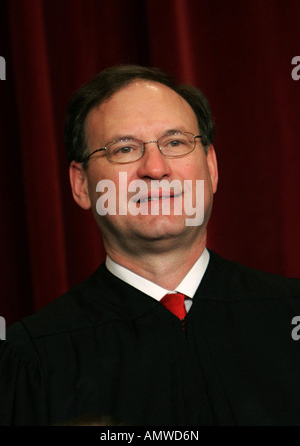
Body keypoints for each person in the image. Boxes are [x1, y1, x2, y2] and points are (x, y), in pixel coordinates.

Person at [1, 65, 300, 426]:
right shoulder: (33, 355)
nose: (155, 169)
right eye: (124, 148)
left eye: (175, 142)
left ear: (211, 166)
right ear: (81, 185)